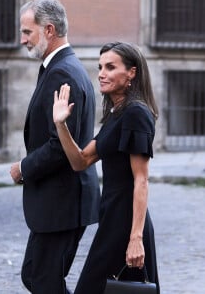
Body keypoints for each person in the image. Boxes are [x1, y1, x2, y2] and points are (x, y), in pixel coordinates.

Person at [53, 42, 160, 294]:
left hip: (126, 225)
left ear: (131, 73)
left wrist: (136, 239)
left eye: (110, 67)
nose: (101, 73)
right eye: (100, 67)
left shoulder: (136, 113)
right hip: (111, 219)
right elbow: (80, 161)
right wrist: (61, 125)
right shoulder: (117, 114)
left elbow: (141, 181)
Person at [9, 0, 100, 294]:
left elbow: (61, 145)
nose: (22, 40)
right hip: (61, 202)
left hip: (62, 202)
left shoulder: (62, 72)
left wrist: (24, 167)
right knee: (35, 275)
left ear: (49, 30)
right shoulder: (62, 67)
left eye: (27, 32)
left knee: (42, 279)